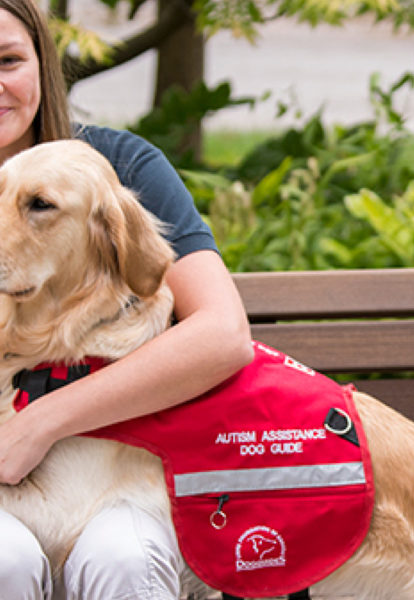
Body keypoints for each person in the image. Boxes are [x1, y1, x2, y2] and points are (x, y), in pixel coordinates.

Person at [0, 1, 254, 598]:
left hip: (117, 469)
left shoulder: (116, 167)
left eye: (8, 60)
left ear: (42, 64)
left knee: (124, 555)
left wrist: (39, 425)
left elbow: (221, 333)